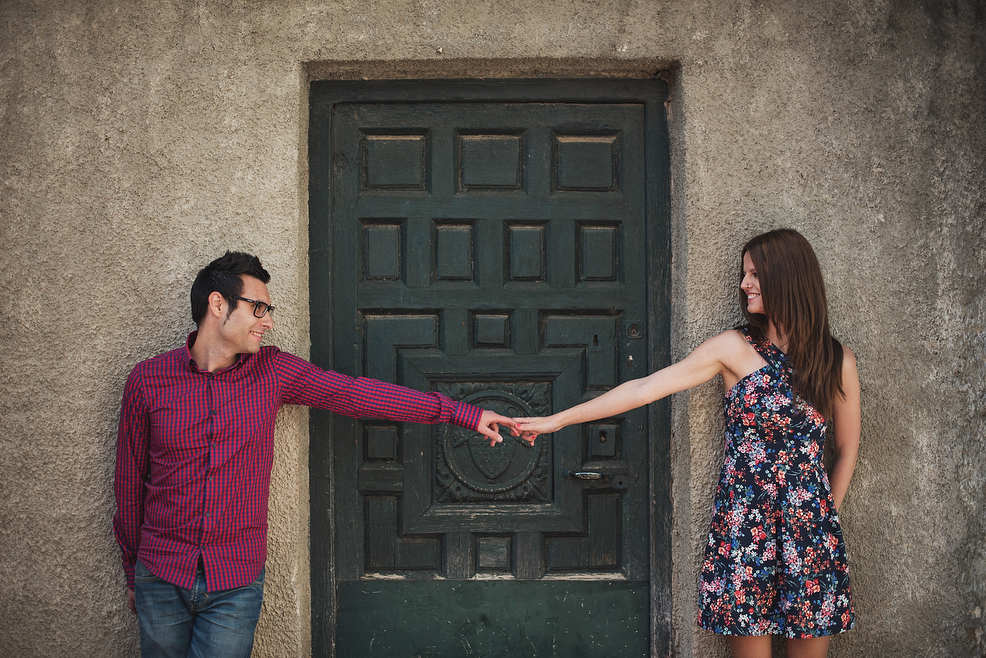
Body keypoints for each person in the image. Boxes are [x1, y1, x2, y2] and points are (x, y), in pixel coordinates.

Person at [114, 251, 517, 657]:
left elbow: (358, 395)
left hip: (234, 580)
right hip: (161, 575)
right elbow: (129, 486)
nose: (267, 322)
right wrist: (135, 574)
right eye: (258, 308)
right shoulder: (148, 381)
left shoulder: (273, 373)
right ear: (218, 304)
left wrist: (462, 413)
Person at [516, 229, 860, 658]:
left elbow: (846, 449)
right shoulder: (733, 348)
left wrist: (825, 517)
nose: (744, 284)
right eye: (744, 274)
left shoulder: (836, 359)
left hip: (811, 532)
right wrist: (557, 420)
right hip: (744, 530)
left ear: (787, 277)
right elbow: (644, 388)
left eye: (754, 274)